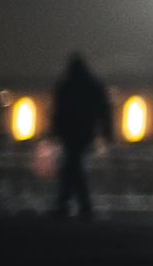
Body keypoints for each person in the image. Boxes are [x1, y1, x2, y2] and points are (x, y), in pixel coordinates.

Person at [48, 54, 113, 219]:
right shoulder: (93, 85)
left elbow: (58, 111)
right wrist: (107, 131)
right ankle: (81, 206)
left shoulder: (66, 85)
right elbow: (104, 110)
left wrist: (55, 131)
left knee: (72, 167)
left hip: (69, 133)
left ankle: (67, 205)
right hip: (85, 132)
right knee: (74, 167)